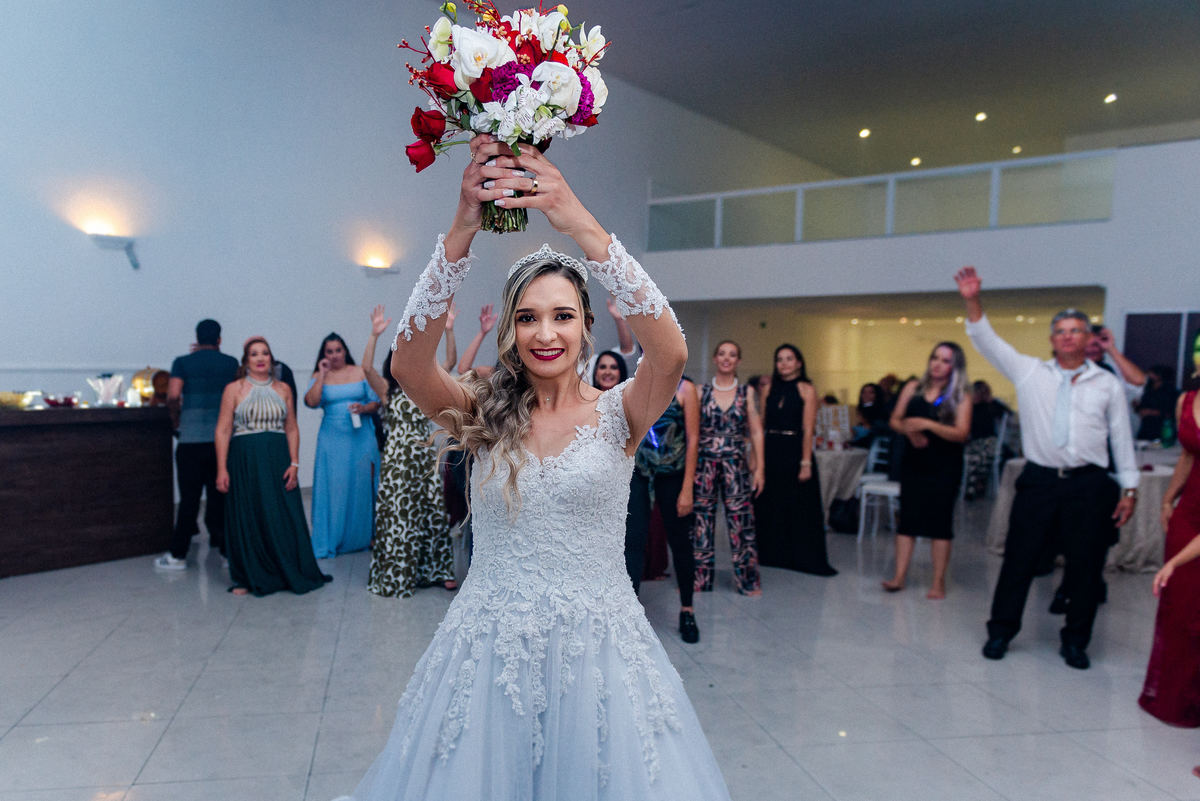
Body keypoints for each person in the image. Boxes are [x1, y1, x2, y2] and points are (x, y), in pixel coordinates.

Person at [336, 136, 732, 800]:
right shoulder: (481, 412)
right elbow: (408, 364)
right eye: (528, 317)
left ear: (586, 327)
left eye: (562, 316)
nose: (545, 333)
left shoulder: (621, 411)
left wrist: (576, 221)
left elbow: (669, 352)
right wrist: (463, 226)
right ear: (511, 330)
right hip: (488, 652)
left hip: (600, 656)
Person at [956, 267, 1138, 670]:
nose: (1068, 336)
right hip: (1039, 481)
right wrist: (973, 300)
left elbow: (1121, 437)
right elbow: (986, 340)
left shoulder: (1107, 384)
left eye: (1076, 330)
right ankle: (1000, 632)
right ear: (1052, 340)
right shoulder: (1029, 372)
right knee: (1019, 560)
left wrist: (1129, 488)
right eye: (1061, 331)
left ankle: (1075, 641)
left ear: (1089, 339)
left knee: (1085, 566)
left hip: (1088, 484)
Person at [213, 337, 331, 596]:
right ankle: (247, 576)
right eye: (254, 354)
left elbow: (292, 427)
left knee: (282, 515)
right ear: (246, 360)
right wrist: (221, 468)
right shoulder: (233, 389)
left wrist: (295, 463)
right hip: (245, 458)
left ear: (271, 358)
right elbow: (223, 430)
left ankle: (286, 569)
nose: (260, 358)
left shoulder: (284, 388)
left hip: (278, 458)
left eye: (265, 353)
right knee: (248, 514)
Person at [362, 304, 458, 597]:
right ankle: (397, 574)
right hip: (397, 462)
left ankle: (436, 571)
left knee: (433, 512)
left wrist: (449, 330)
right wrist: (374, 335)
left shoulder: (424, 387)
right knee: (399, 515)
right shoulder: (386, 390)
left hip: (423, 457)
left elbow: (450, 361)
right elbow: (366, 368)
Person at [881, 343, 972, 599]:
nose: (937, 364)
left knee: (940, 523)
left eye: (945, 360)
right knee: (907, 520)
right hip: (914, 462)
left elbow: (961, 433)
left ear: (955, 366)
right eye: (935, 358)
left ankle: (938, 582)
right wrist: (910, 431)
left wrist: (928, 425)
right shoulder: (913, 388)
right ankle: (899, 576)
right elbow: (895, 420)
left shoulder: (961, 395)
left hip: (945, 465)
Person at [1139, 356, 1200, 725]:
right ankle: (1175, 696)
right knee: (1178, 605)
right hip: (1189, 511)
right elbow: (1188, 456)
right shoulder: (1186, 401)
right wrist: (1167, 499)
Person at [155, 318, 239, 571]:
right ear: (219, 339)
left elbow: (173, 395)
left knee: (189, 500)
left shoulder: (182, 362)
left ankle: (178, 555)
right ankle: (226, 553)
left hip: (190, 439)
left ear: (197, 338)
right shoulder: (231, 363)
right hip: (221, 441)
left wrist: (176, 421)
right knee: (220, 498)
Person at [627, 375, 703, 643]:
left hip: (673, 475)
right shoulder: (637, 383)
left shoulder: (685, 388)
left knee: (680, 541)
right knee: (633, 543)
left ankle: (687, 610)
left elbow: (693, 439)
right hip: (639, 474)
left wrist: (688, 488)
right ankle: (629, 616)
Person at [754, 344, 836, 576]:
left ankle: (800, 557)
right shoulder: (767, 388)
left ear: (799, 363)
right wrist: (756, 459)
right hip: (771, 448)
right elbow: (761, 424)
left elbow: (808, 429)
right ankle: (772, 554)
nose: (784, 363)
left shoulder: (807, 390)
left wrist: (806, 462)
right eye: (780, 359)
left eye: (789, 359)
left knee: (799, 505)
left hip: (795, 449)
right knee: (771, 502)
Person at [693, 340, 763, 595]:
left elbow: (756, 431)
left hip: (736, 466)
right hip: (704, 465)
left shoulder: (746, 392)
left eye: (732, 354)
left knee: (741, 523)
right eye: (721, 353)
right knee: (701, 521)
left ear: (738, 361)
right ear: (715, 358)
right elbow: (692, 432)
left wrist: (760, 468)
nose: (726, 358)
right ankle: (699, 580)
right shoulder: (700, 391)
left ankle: (747, 581)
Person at [304, 332, 381, 558]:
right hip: (332, 439)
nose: (335, 355)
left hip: (361, 436)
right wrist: (322, 374)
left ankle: (364, 536)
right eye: (330, 351)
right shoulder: (320, 375)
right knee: (334, 486)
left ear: (345, 351)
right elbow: (311, 402)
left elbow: (376, 402)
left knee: (361, 484)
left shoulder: (360, 372)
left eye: (338, 350)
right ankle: (333, 537)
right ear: (324, 354)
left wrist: (363, 408)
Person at [1135, 365, 1179, 441]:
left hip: (1162, 429)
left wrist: (1150, 412)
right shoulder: (1148, 389)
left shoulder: (1170, 391)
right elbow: (1142, 409)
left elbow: (1170, 412)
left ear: (1159, 375)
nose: (1148, 376)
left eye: (1152, 374)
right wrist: (1137, 406)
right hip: (1146, 428)